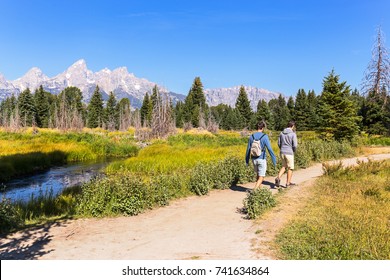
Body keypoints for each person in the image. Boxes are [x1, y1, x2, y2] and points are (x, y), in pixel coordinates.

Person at [245, 121, 277, 189]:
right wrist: (274, 160)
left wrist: (247, 161)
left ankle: (259, 191)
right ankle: (255, 190)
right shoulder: (264, 136)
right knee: (261, 177)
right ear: (262, 128)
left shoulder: (251, 136)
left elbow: (248, 150)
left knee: (258, 175)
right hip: (261, 159)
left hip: (253, 159)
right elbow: (269, 149)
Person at [275, 120, 298, 188]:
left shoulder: (281, 133)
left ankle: (278, 177)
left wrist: (281, 148)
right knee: (290, 168)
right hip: (289, 152)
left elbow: (279, 143)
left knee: (284, 166)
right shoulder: (293, 134)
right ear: (293, 126)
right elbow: (295, 145)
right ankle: (288, 183)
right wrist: (293, 150)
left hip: (282, 152)